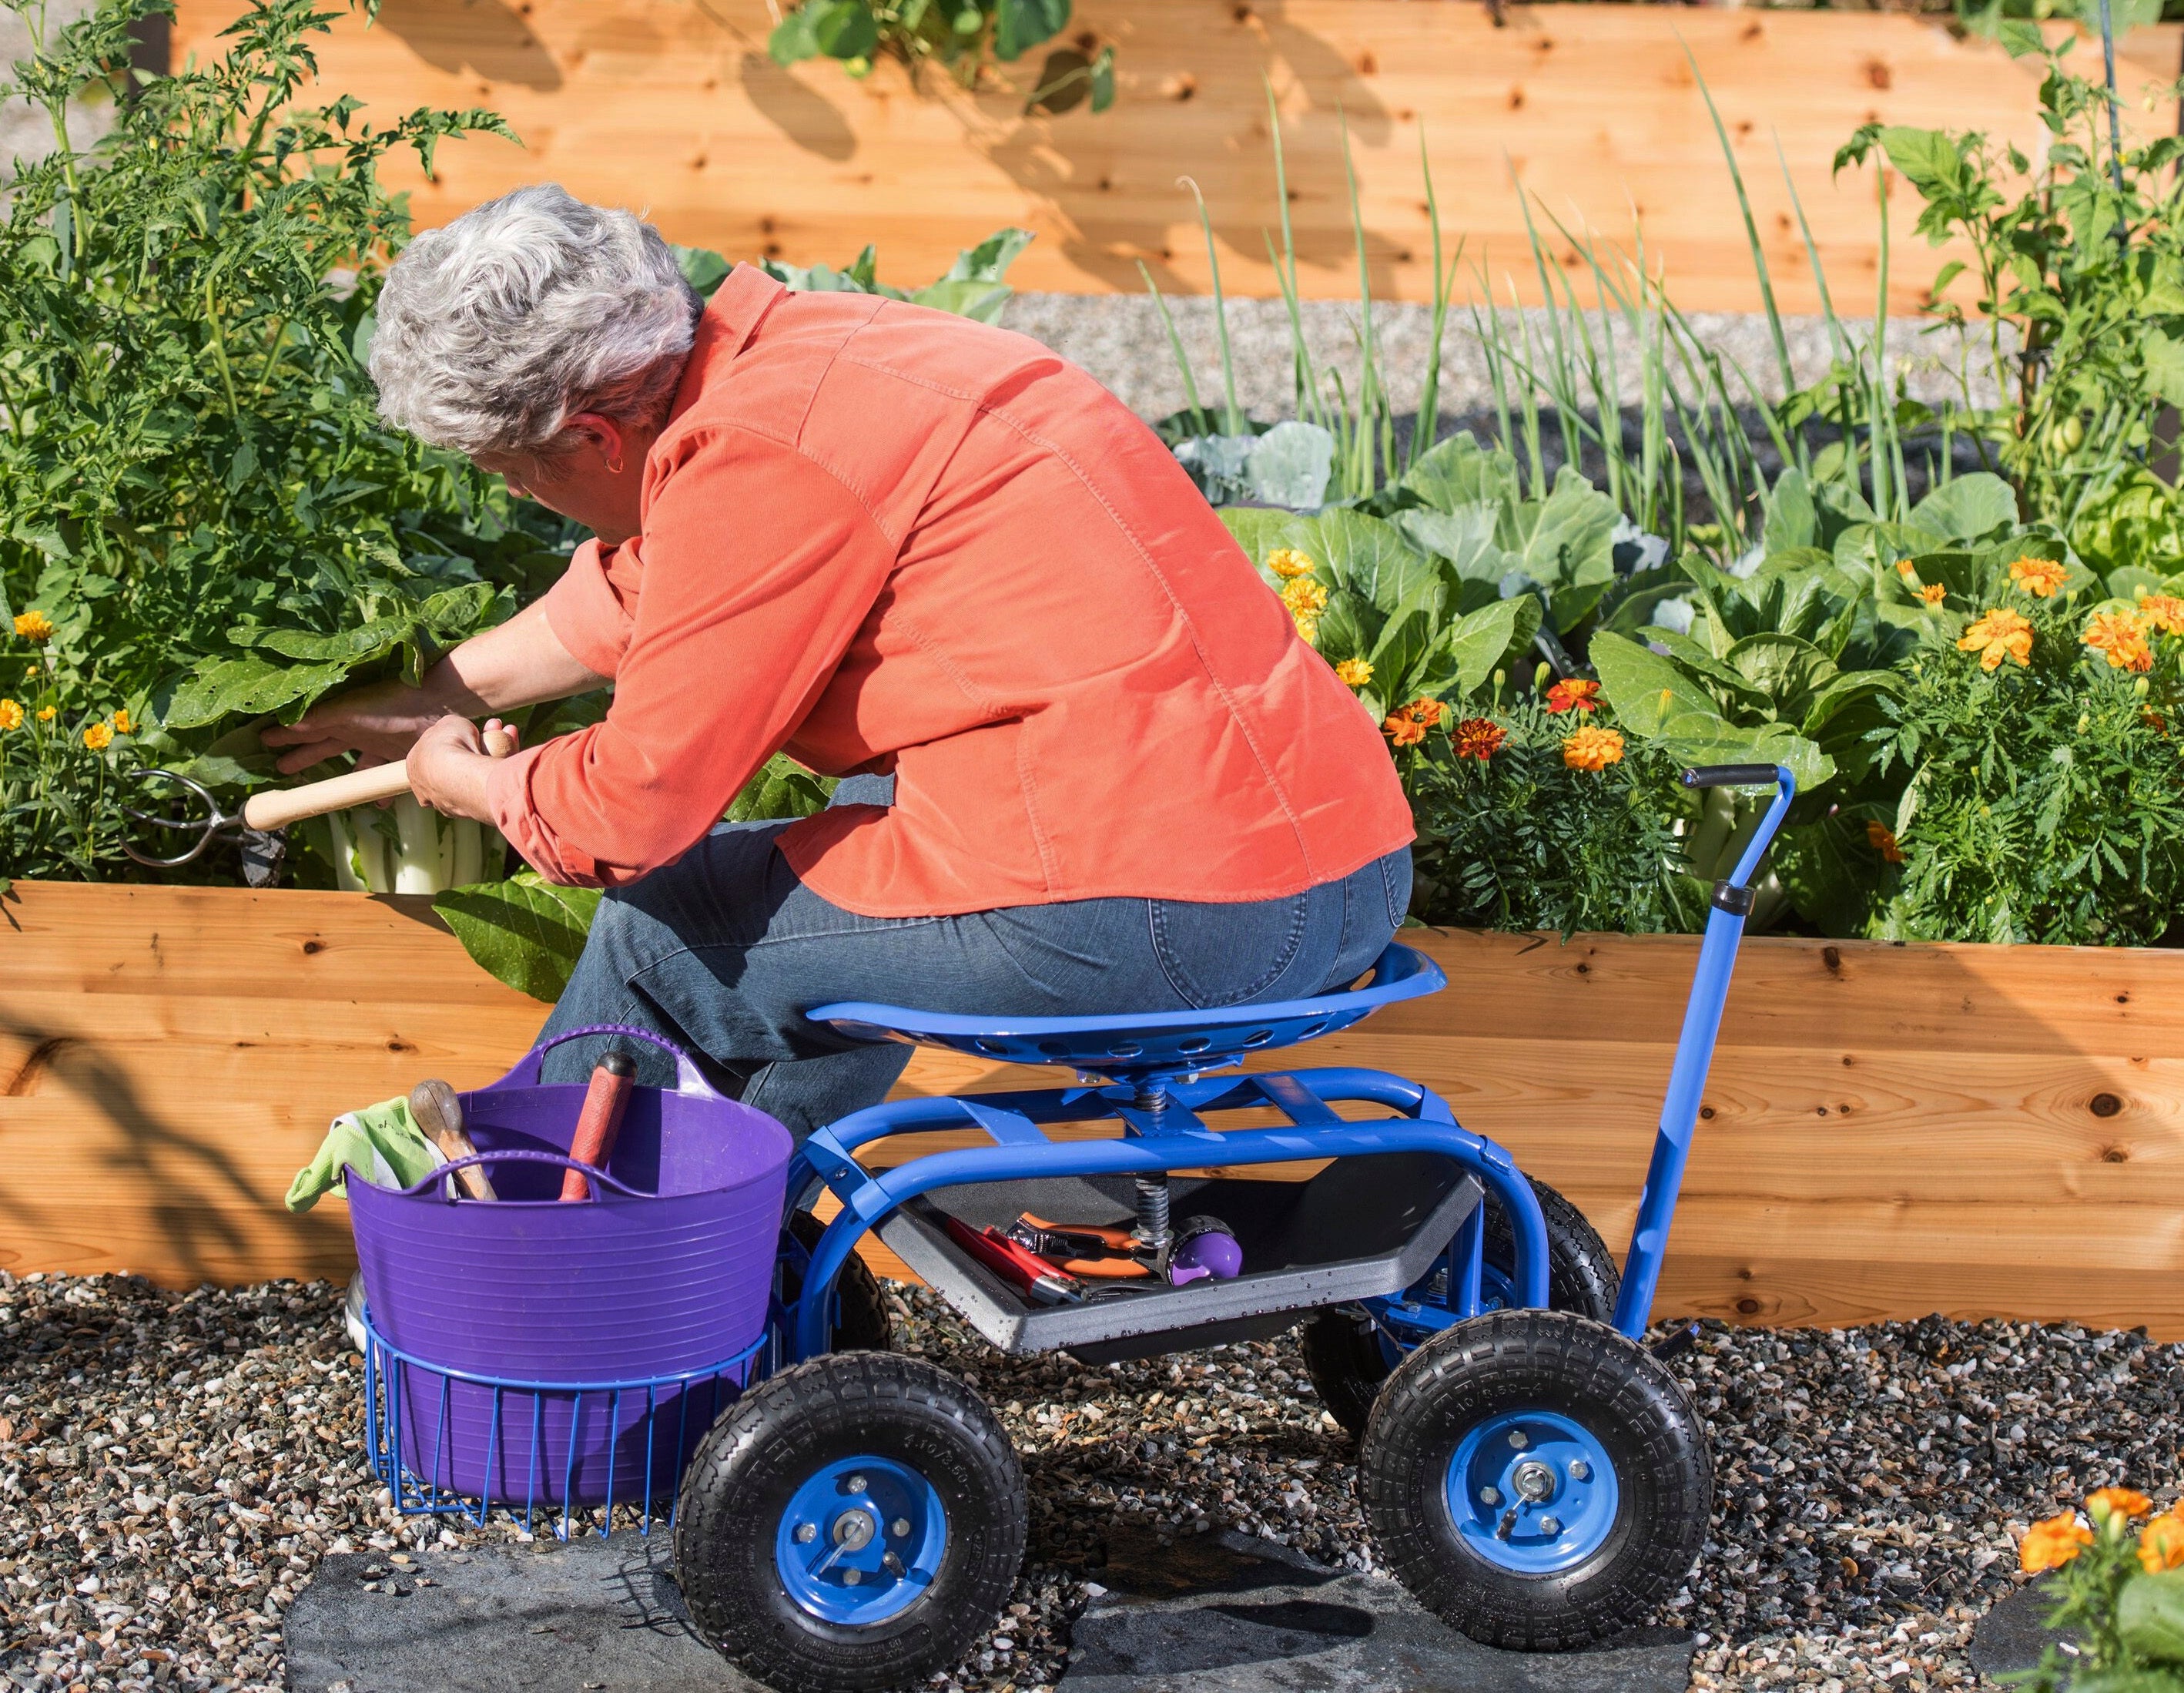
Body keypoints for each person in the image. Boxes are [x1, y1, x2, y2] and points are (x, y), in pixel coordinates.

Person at [266, 184, 1415, 1143]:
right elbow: (653, 590)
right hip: (1347, 870)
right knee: (849, 824)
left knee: (668, 929)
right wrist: (435, 698)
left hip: (1174, 916)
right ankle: (750, 1253)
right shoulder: (823, 358)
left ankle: (544, 1299)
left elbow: (628, 813)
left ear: (592, 438)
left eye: (512, 473)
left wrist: (472, 783)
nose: (519, 496)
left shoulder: (758, 460)